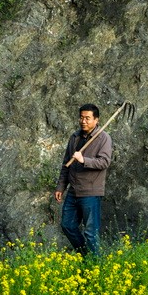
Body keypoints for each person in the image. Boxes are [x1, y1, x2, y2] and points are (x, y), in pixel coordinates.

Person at [54, 103, 113, 256]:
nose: (83, 121)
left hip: (90, 192)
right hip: (73, 191)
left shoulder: (103, 138)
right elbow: (66, 164)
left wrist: (83, 160)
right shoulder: (75, 137)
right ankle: (87, 256)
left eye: (87, 118)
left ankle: (95, 265)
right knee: (67, 226)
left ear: (96, 120)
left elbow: (104, 162)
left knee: (90, 233)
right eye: (81, 118)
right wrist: (61, 186)